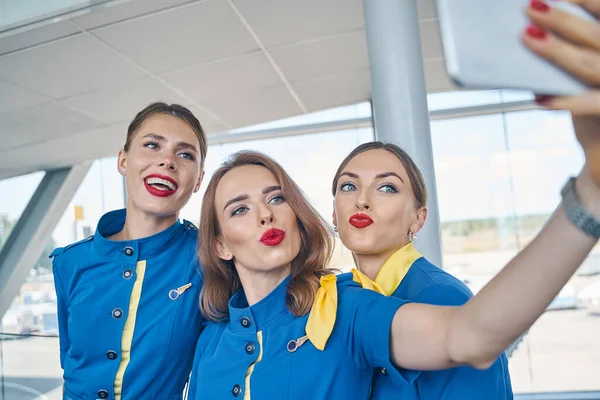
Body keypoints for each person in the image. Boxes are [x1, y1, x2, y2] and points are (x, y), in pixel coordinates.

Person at [187, 100, 599, 399]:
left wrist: (588, 196)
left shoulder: (346, 309)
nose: (264, 215)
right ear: (219, 244)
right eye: (240, 208)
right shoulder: (208, 340)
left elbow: (470, 335)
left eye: (276, 199)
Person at [331, 141, 513, 399]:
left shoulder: (444, 300)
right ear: (334, 216)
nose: (362, 200)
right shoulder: (336, 299)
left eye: (387, 188)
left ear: (418, 218)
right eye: (348, 186)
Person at [50, 102, 207, 400]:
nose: (167, 162)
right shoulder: (68, 263)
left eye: (185, 154)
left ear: (198, 179)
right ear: (123, 161)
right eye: (152, 145)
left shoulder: (208, 260)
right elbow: (71, 365)